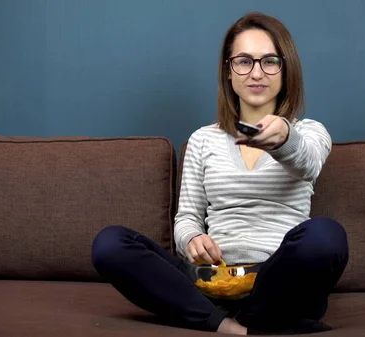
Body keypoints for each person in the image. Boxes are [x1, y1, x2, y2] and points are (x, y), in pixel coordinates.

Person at [91, 11, 349, 335]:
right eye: (244, 61)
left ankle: (244, 318)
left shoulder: (309, 132)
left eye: (269, 61)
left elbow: (308, 162)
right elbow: (186, 218)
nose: (257, 73)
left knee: (326, 236)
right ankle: (231, 324)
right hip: (210, 281)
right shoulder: (203, 140)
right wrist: (193, 239)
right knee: (110, 244)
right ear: (228, 71)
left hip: (277, 282)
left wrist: (283, 136)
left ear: (286, 70)